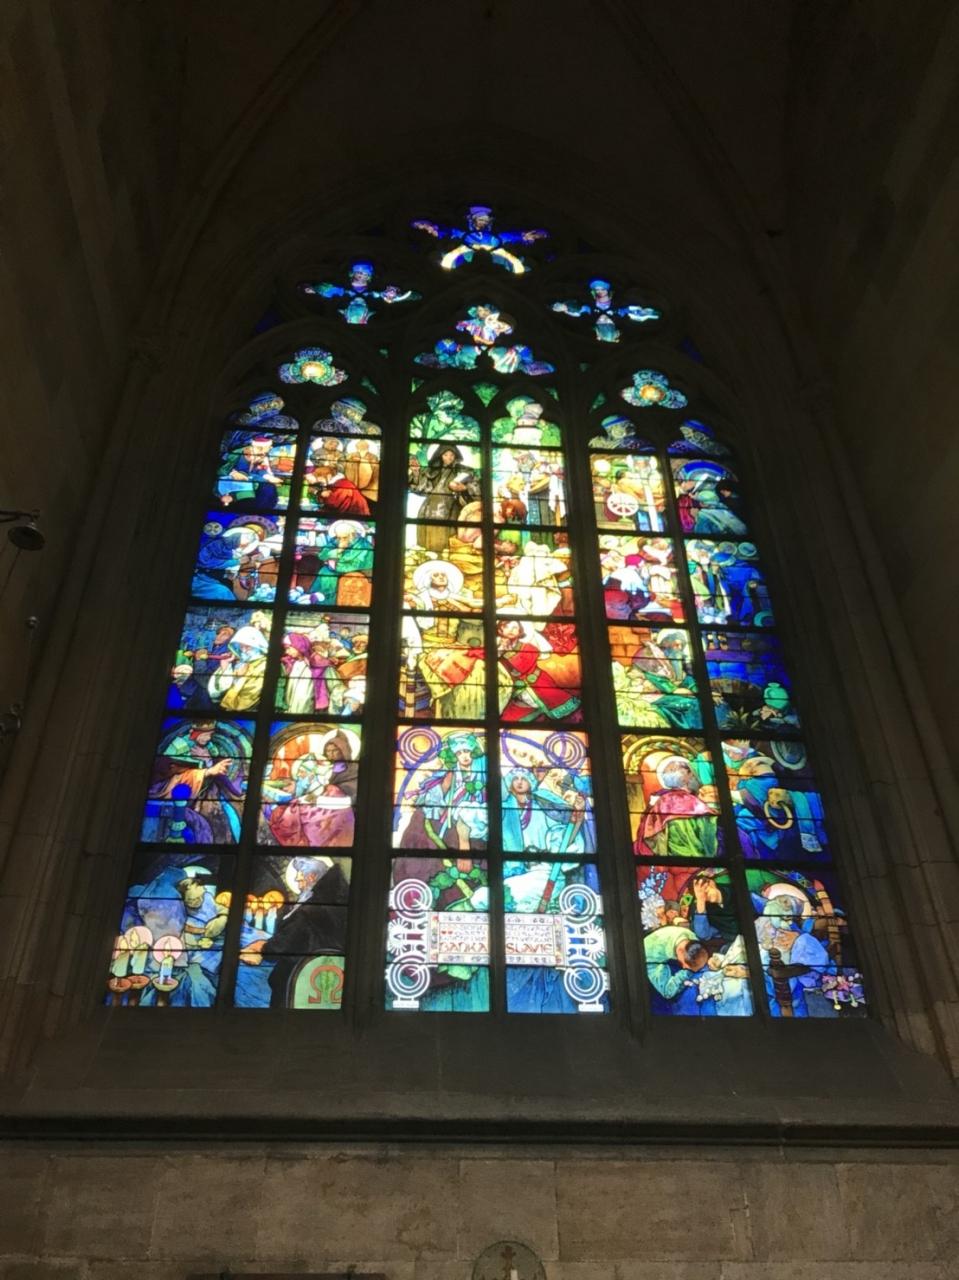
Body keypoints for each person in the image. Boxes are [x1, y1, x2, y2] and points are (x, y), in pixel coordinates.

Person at [240, 856, 350, 1008]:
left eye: (300, 879)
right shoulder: (337, 903)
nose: (298, 885)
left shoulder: (310, 911)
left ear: (311, 877)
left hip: (300, 982)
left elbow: (284, 944)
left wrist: (263, 948)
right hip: (330, 979)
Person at [398, 731, 487, 851]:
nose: (464, 756)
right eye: (459, 753)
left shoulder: (482, 773)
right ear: (454, 756)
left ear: (474, 752)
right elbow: (440, 791)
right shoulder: (451, 773)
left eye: (467, 751)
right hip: (452, 812)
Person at [496, 619, 582, 723]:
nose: (511, 630)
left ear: (520, 631)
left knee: (558, 708)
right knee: (507, 719)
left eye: (515, 627)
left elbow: (521, 668)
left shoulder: (529, 648)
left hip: (539, 684)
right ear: (500, 630)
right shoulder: (499, 649)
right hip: (518, 694)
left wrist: (506, 651)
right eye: (506, 627)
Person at [633, 755, 718, 858]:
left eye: (673, 769)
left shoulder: (697, 799)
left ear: (690, 773)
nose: (669, 773)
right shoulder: (664, 798)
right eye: (666, 771)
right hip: (674, 851)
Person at [408, 444, 480, 551]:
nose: (449, 458)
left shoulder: (464, 471)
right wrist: (416, 473)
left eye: (451, 455)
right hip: (428, 509)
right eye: (445, 455)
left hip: (451, 509)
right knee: (426, 542)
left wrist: (464, 488)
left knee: (446, 541)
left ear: (456, 456)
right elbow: (422, 488)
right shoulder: (432, 471)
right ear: (440, 456)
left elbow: (477, 489)